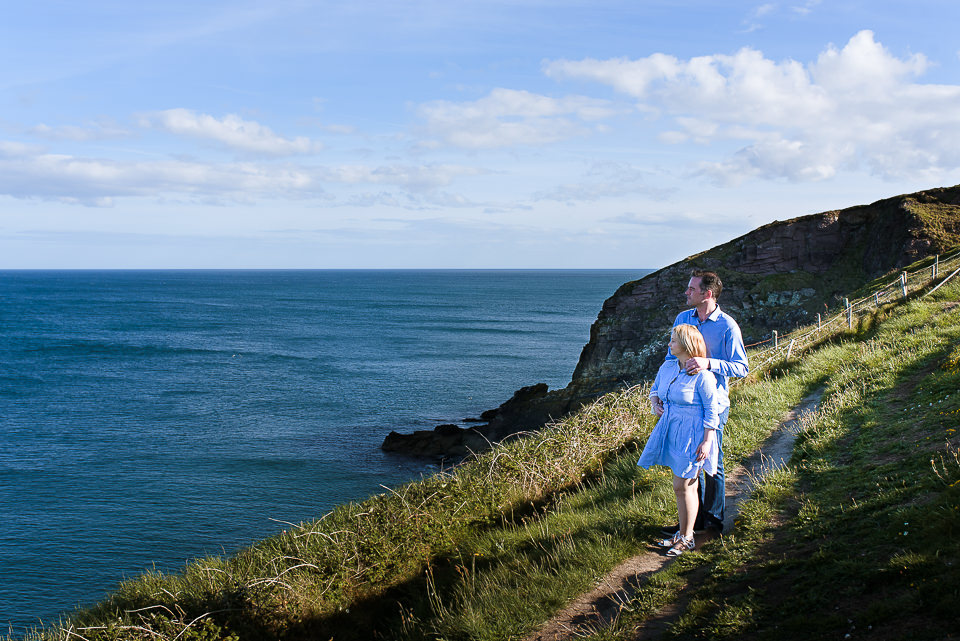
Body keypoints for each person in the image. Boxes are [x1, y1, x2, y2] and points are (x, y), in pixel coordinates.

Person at [652, 270, 748, 535]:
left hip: (712, 403)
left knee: (712, 460)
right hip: (682, 405)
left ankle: (713, 521)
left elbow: (742, 367)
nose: (686, 293)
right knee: (690, 462)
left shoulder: (727, 326)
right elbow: (669, 361)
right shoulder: (683, 319)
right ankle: (692, 521)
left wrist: (709, 363)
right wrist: (657, 392)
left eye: (691, 289)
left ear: (707, 294)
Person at [638, 324, 723, 556]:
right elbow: (654, 390)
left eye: (673, 341)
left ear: (686, 345)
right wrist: (655, 403)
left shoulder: (703, 376)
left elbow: (711, 411)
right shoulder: (667, 367)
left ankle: (687, 538)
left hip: (692, 435)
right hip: (672, 430)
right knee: (682, 487)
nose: (669, 344)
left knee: (684, 485)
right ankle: (685, 534)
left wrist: (707, 441)